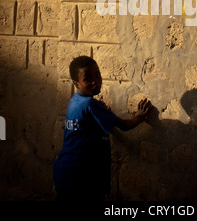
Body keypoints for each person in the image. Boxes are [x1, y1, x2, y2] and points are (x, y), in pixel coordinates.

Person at [53, 55, 152, 201]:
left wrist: (103, 111)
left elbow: (89, 123)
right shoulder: (91, 105)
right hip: (81, 176)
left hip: (65, 172)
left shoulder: (75, 101)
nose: (95, 81)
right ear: (76, 84)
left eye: (98, 75)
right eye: (87, 79)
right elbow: (124, 126)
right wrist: (139, 116)